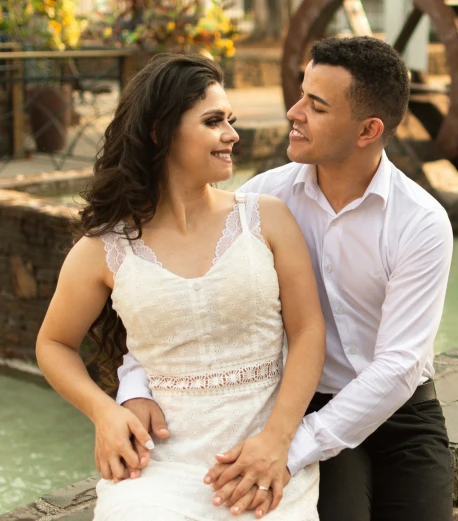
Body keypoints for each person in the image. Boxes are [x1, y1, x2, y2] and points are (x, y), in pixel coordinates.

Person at [118, 36, 455, 521]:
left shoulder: (420, 221)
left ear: (368, 130)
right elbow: (181, 295)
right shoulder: (264, 199)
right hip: (303, 399)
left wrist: (289, 448)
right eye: (301, 94)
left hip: (403, 410)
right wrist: (134, 383)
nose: (294, 111)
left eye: (316, 106)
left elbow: (400, 363)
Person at [35, 53, 325, 520]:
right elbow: (53, 343)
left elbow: (309, 331)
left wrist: (278, 440)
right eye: (214, 121)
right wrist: (105, 412)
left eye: (229, 120)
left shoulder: (266, 218)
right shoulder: (106, 247)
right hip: (158, 466)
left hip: (264, 456)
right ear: (159, 131)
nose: (232, 134)